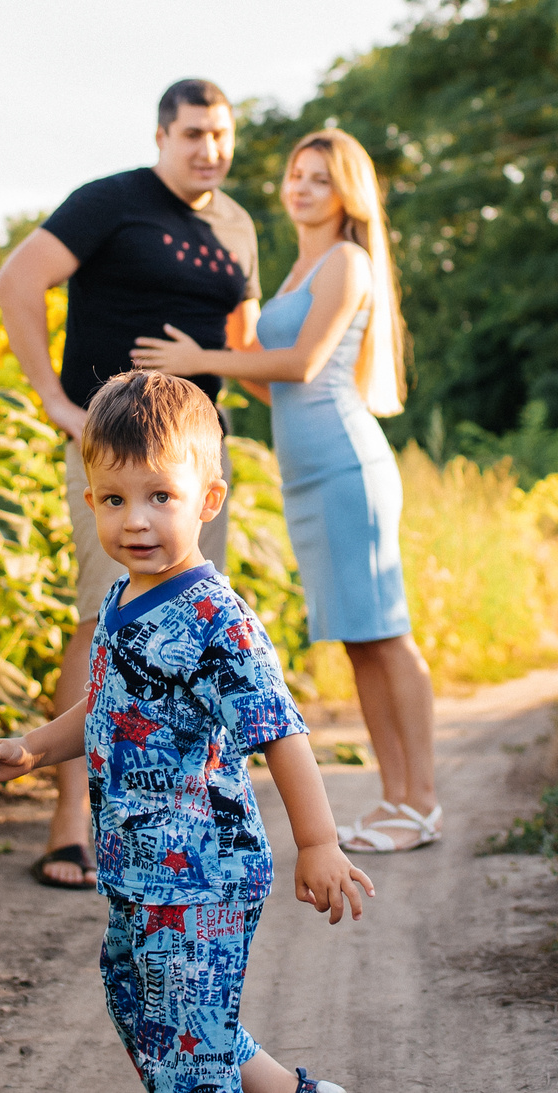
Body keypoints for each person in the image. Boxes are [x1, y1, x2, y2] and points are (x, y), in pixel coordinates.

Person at [0, 372, 368, 1093]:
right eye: (115, 500)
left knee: (184, 1048)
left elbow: (280, 731)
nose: (137, 521)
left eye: (161, 496)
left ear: (208, 501)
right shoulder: (123, 596)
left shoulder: (217, 620)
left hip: (200, 873)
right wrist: (31, 747)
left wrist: (318, 843)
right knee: (145, 1002)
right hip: (138, 871)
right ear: (90, 501)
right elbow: (104, 709)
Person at [131, 128, 439, 854]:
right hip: (307, 475)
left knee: (386, 634)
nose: (300, 188)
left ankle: (422, 799)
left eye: (319, 178)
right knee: (358, 641)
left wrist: (198, 355)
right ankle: (397, 798)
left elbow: (300, 364)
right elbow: (272, 387)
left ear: (346, 193)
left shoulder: (347, 261)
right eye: (295, 175)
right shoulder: (302, 265)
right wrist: (209, 361)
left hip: (346, 468)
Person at [0, 79, 261, 889]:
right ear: (160, 135)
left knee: (190, 622)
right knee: (102, 614)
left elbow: (241, 342)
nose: (209, 149)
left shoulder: (239, 226)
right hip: (116, 455)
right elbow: (16, 279)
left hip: (197, 463)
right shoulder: (111, 202)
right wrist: (55, 401)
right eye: (192, 134)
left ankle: (171, 809)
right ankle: (70, 817)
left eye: (220, 134)